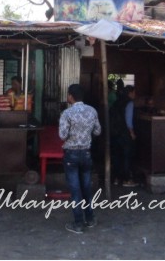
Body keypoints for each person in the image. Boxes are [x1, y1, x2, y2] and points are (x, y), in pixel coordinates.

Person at [59, 84, 101, 234]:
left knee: (75, 190)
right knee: (86, 188)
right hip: (86, 154)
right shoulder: (92, 111)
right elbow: (97, 131)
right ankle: (90, 218)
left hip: (71, 154)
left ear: (71, 96)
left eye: (68, 95)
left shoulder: (67, 113)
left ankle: (78, 223)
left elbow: (62, 135)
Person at [110, 85, 138, 187]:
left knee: (117, 156)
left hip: (115, 133)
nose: (135, 94)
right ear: (130, 93)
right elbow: (128, 120)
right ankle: (127, 179)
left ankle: (117, 179)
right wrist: (132, 133)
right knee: (126, 156)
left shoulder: (116, 102)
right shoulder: (129, 103)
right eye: (134, 92)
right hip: (124, 133)